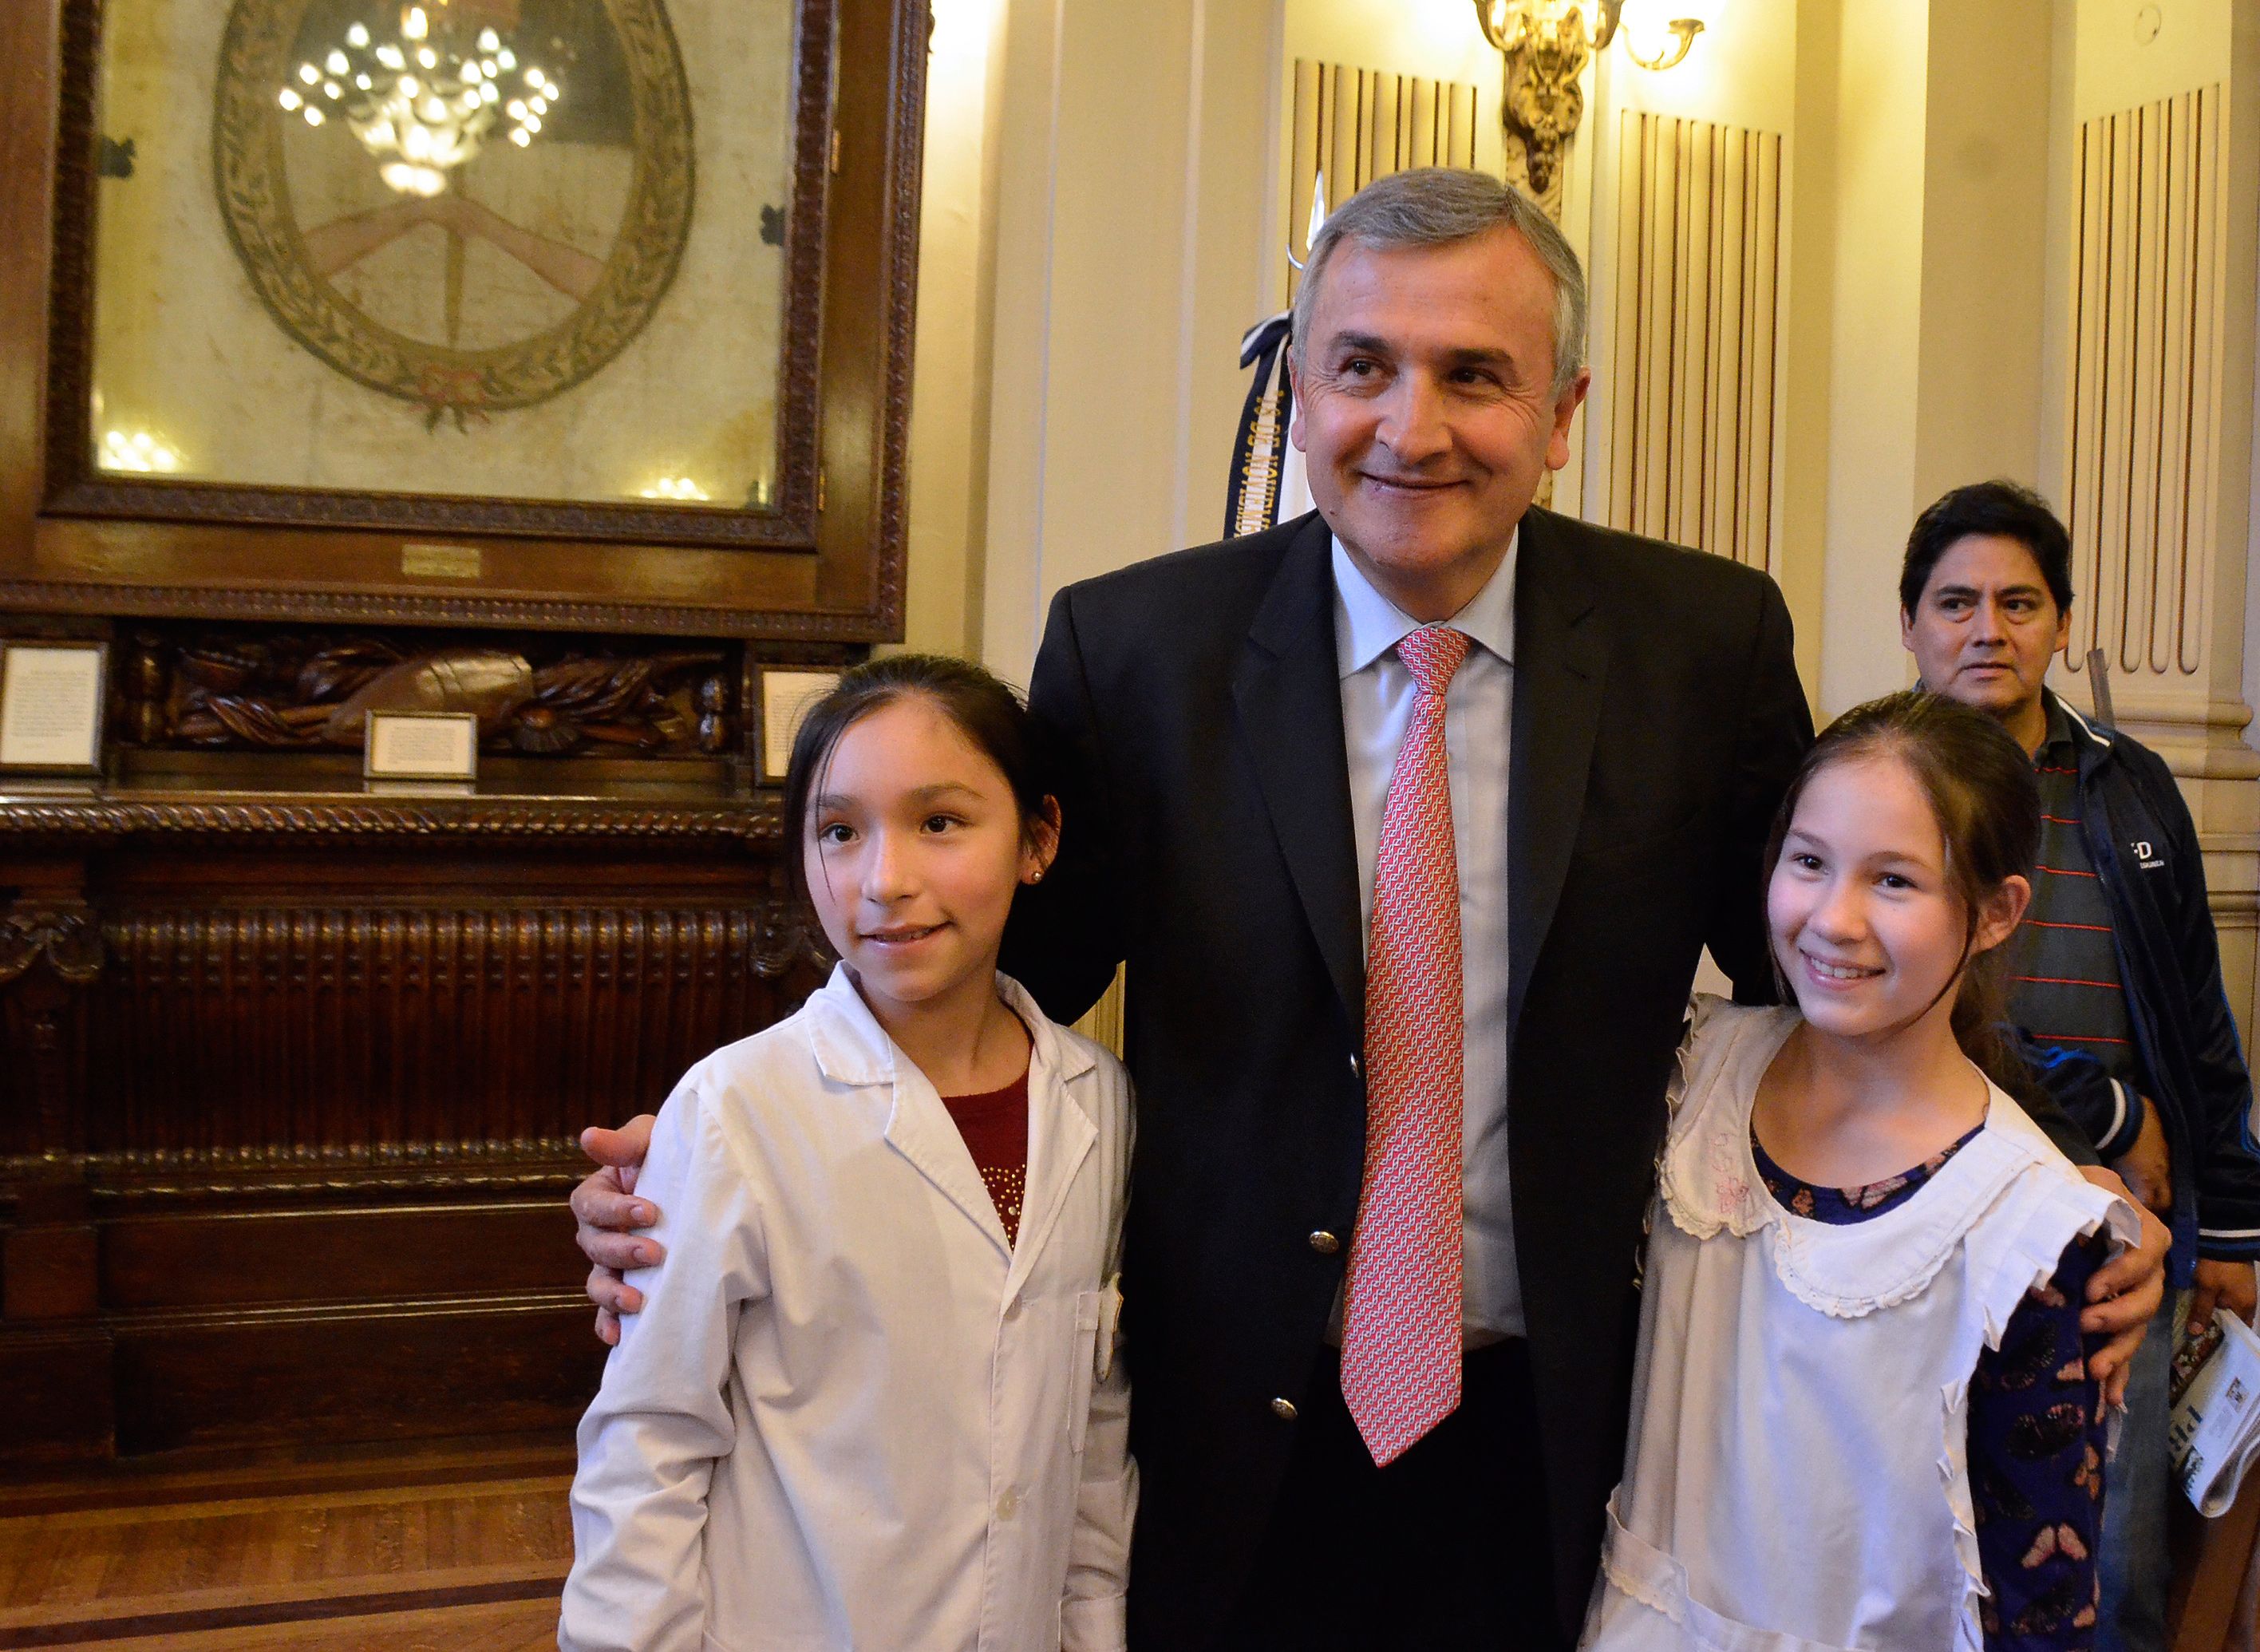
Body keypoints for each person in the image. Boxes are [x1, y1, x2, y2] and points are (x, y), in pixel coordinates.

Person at [575, 171, 2168, 1649]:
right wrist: (728, 1159)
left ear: (1562, 415)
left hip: (1571, 1438)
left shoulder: (1704, 645)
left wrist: (2043, 1203)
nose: (1412, 426)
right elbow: (994, 1008)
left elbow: (1838, 977)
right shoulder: (1138, 654)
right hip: (1223, 1436)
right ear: (1307, 390)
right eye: (1362, 367)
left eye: (1474, 374)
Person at [559, 656, 1135, 1652]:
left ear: (1037, 839)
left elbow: (1093, 1438)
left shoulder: (1099, 1102)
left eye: (940, 823)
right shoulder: (737, 1106)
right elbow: (649, 1442)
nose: (885, 881)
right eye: (840, 832)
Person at [1584, 690, 2139, 1650]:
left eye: (1894, 881)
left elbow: (2042, 1594)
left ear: (1998, 911)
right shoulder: (1691, 1074)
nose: (1832, 919)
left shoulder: (2026, 1232)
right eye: (1808, 862)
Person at [1900, 480, 2260, 1652]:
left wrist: (2239, 1231)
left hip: (2118, 1232)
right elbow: (1885, 1006)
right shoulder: (1874, 780)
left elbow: (2197, 1016)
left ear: (2062, 620)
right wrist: (2096, 1105)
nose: (1987, 630)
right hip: (1925, 1210)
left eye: (2019, 602)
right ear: (1910, 623)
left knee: (2110, 1563)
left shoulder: (2130, 786)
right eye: (1956, 602)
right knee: (1926, 1539)